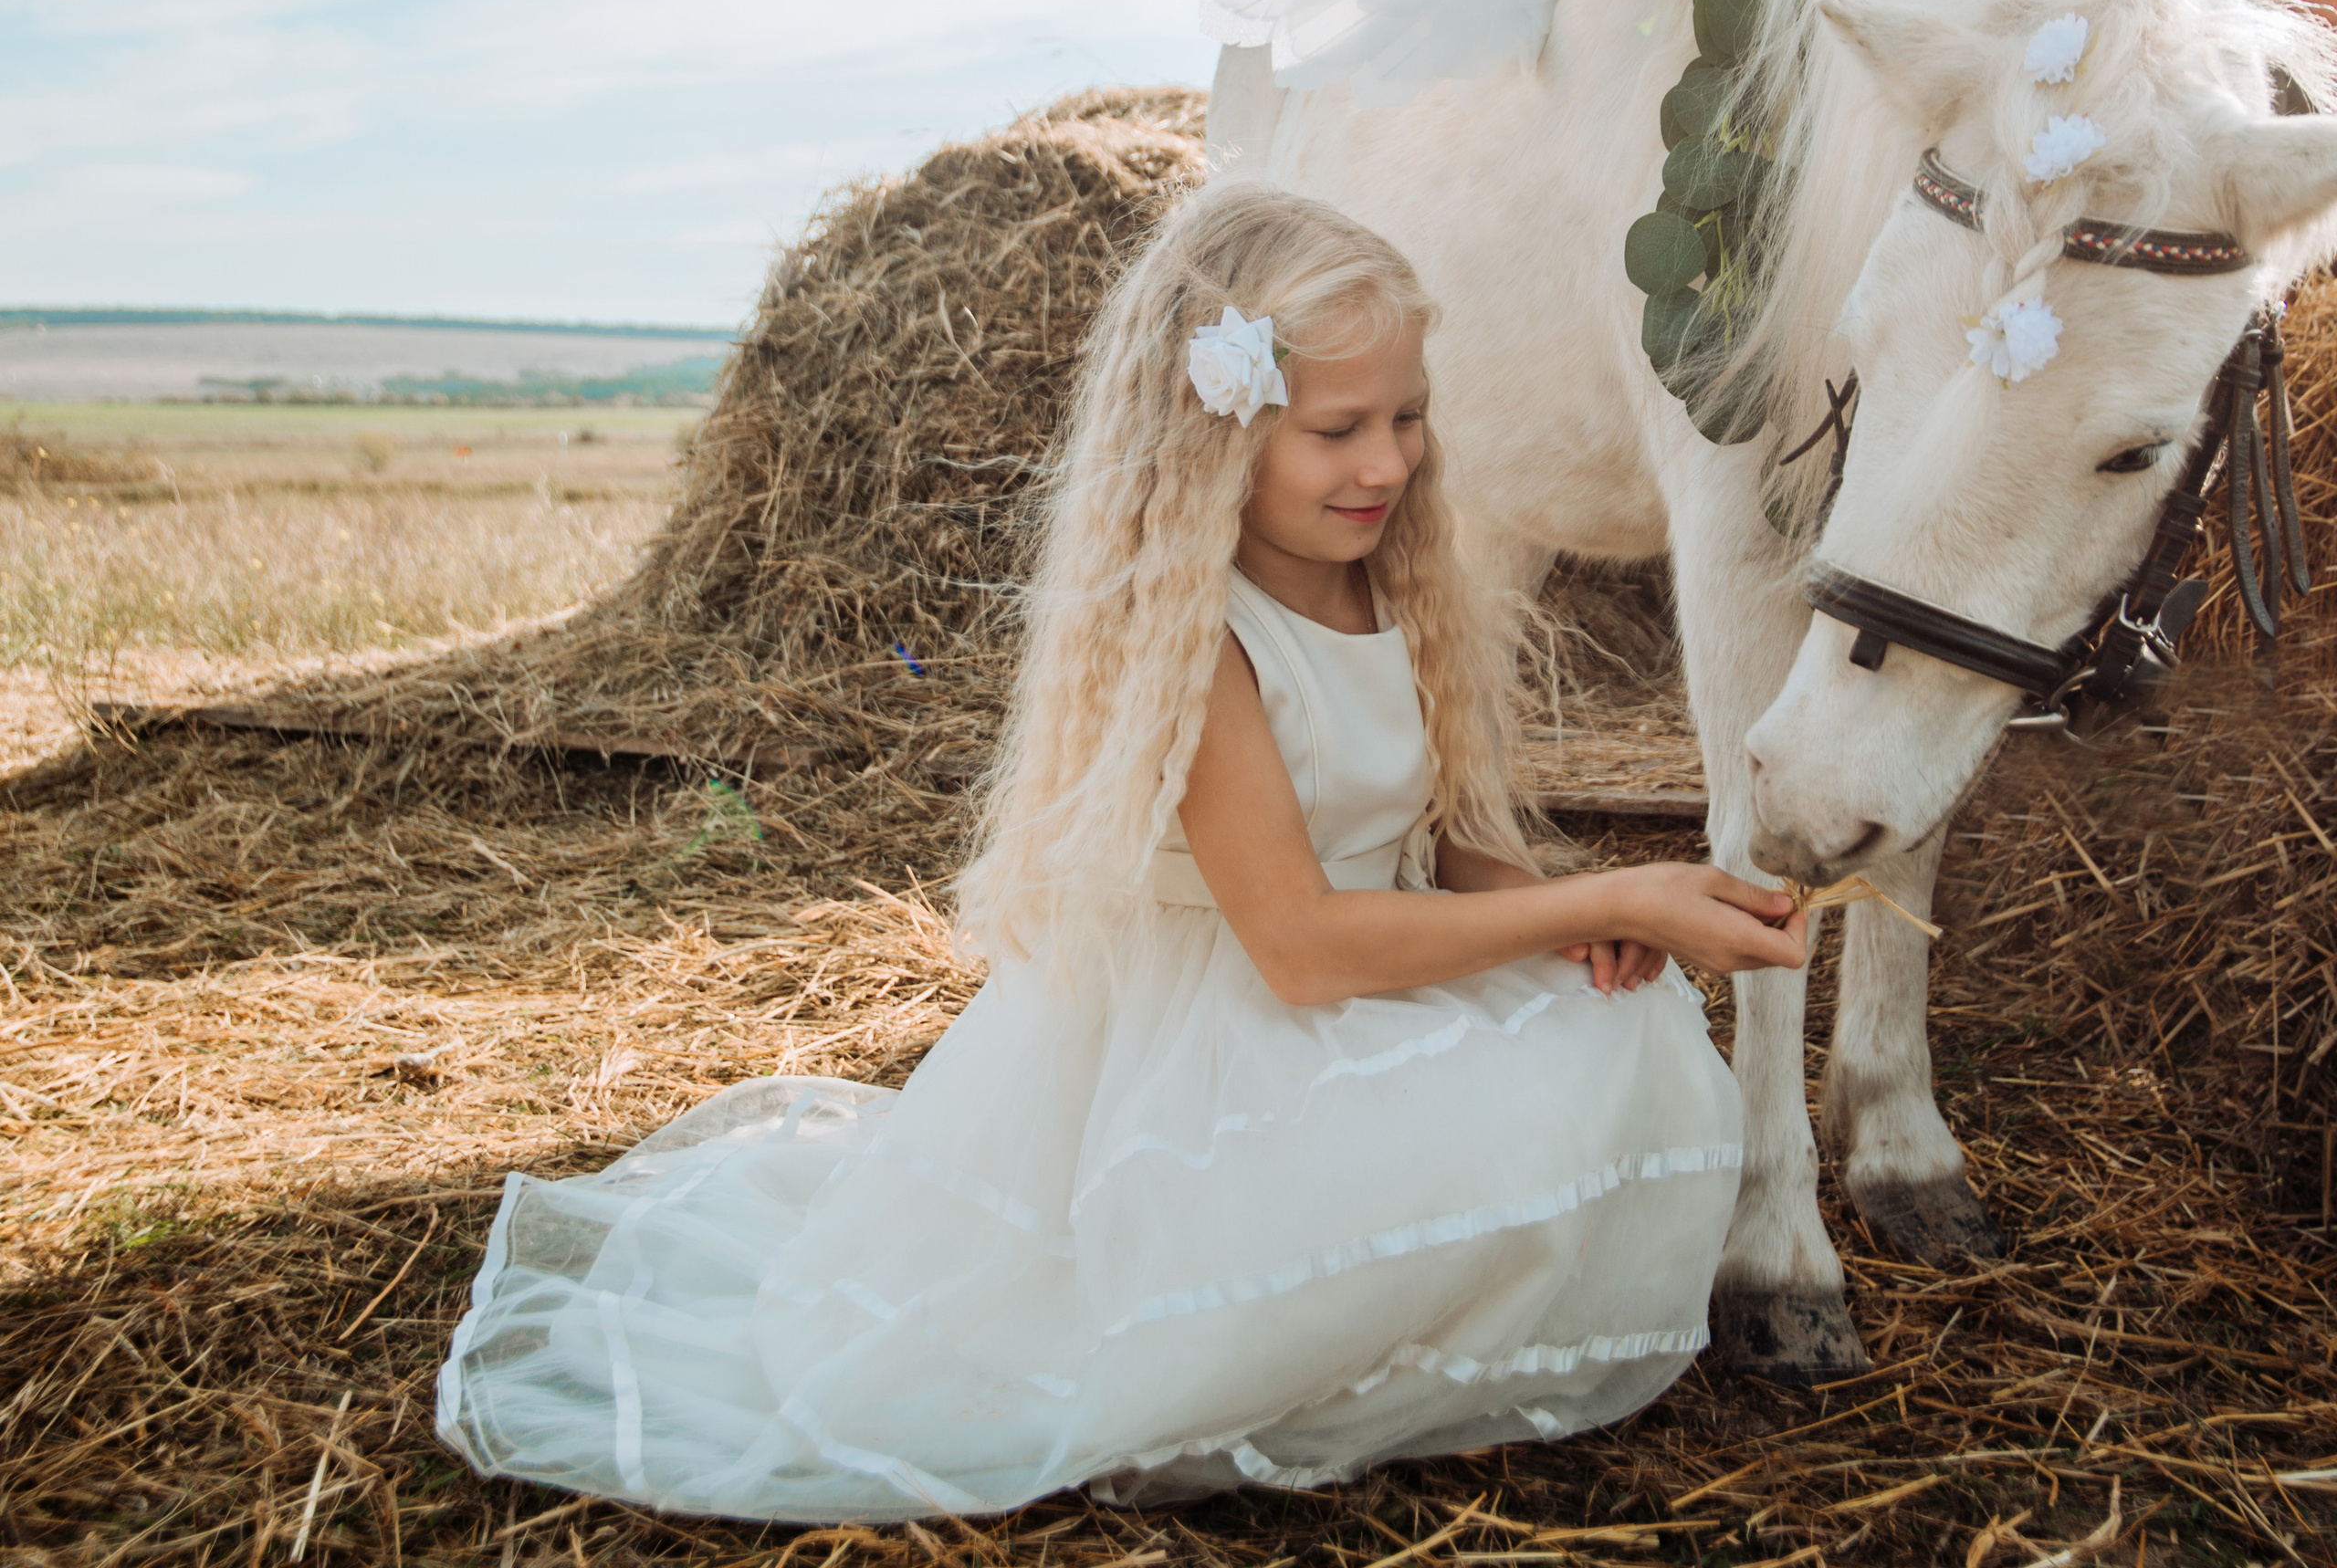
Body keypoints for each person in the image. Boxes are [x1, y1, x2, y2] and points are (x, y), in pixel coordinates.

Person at [436, 186, 1808, 1522]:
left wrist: (1573, 917)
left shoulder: (1388, 575)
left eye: (1407, 418)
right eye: (1338, 430)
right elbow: (1304, 947)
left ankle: (1366, 1341)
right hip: (1219, 1043)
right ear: (1218, 433)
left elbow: (1443, 856)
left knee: (1614, 1031)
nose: (1386, 463)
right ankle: (1254, 1350)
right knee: (1437, 1142)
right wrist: (1619, 888)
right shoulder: (1201, 647)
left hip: (1356, 980)